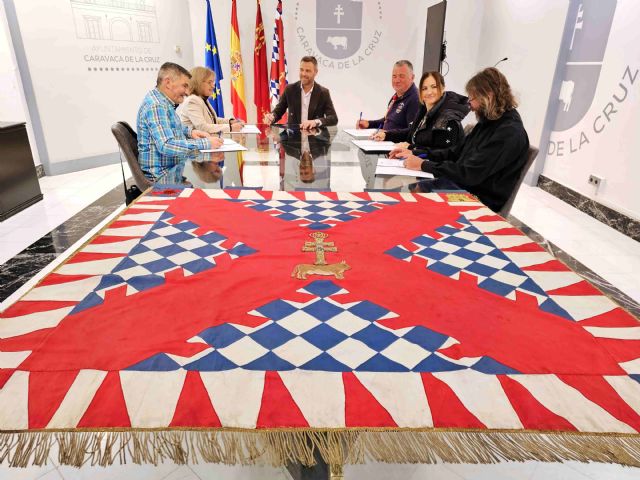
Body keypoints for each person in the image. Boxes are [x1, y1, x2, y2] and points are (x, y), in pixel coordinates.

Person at [394, 67, 529, 212]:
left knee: (408, 206)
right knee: (401, 198)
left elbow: (468, 174)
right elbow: (455, 152)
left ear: (488, 96)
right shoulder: (491, 120)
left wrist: (423, 165)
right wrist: (417, 154)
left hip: (477, 203)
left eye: (472, 98)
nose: (470, 105)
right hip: (459, 187)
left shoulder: (508, 133)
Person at [137, 62, 223, 180]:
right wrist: (206, 143)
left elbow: (171, 126)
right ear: (168, 83)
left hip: (172, 169)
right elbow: (166, 145)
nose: (187, 92)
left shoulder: (163, 102)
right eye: (184, 86)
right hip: (162, 178)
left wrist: (190, 132)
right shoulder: (156, 106)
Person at [375, 71, 469, 157]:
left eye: (434, 87)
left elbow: (443, 152)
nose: (429, 92)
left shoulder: (448, 118)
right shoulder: (423, 110)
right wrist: (387, 135)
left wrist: (411, 148)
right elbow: (412, 132)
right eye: (424, 88)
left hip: (438, 173)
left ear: (443, 88)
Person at [263, 56, 338, 129]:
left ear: (315, 72)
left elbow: (333, 118)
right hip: (293, 138)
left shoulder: (323, 93)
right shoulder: (290, 89)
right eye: (301, 70)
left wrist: (315, 122)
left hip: (315, 139)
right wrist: (272, 117)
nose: (303, 74)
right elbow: (278, 111)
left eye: (307, 71)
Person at [356, 60, 420, 136]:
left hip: (396, 146)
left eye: (401, 76)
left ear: (412, 77)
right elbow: (388, 121)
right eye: (394, 76)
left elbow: (412, 132)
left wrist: (387, 135)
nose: (397, 80)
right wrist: (369, 124)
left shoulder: (415, 99)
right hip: (386, 141)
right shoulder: (396, 96)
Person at [177, 66, 244, 135]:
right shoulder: (192, 100)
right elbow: (202, 127)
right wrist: (230, 127)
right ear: (198, 83)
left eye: (213, 82)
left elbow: (213, 120)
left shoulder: (201, 99)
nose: (213, 86)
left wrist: (230, 122)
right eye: (209, 82)